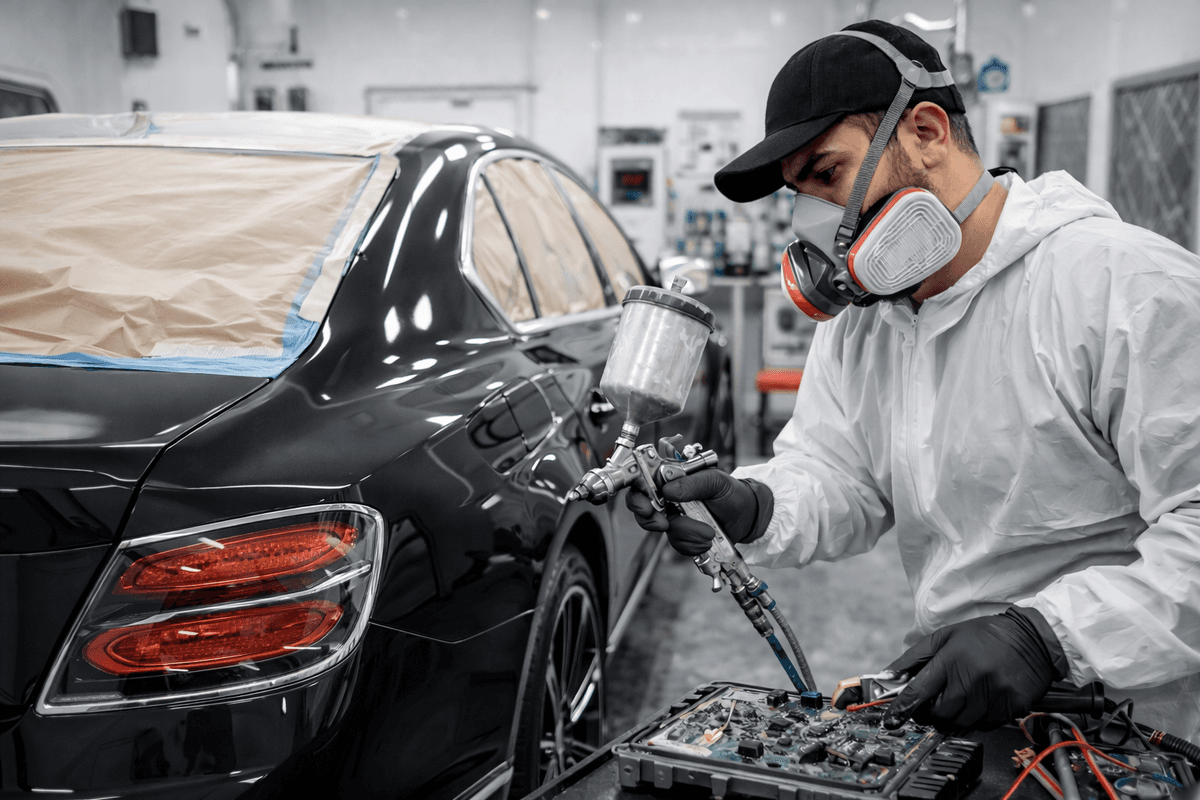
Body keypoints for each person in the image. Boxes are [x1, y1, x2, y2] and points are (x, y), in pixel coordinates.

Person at [628, 19, 1200, 741]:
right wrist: (752, 504)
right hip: (961, 709)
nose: (813, 221)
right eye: (797, 193)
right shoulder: (868, 320)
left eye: (827, 175)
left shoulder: (1123, 288)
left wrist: (1051, 637)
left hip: (1135, 723)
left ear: (927, 131)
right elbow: (843, 477)